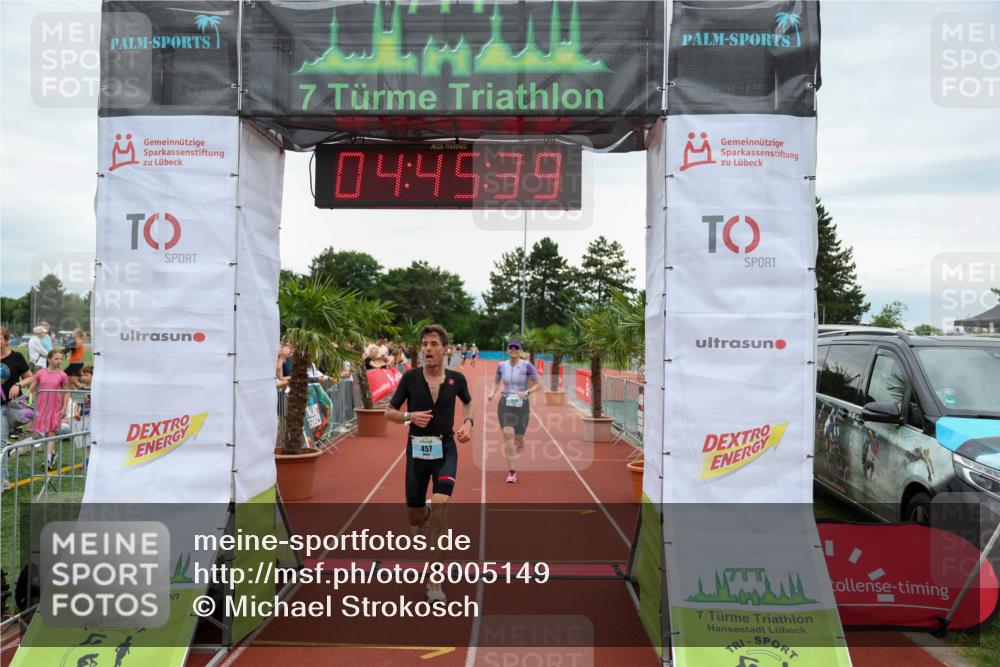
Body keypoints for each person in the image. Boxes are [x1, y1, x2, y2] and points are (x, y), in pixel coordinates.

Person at [385, 324, 474, 603]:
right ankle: (420, 510)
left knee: (441, 506)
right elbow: (389, 412)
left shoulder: (457, 379)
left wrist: (468, 423)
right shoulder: (410, 378)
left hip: (446, 449)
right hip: (417, 452)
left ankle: (435, 578)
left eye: (433, 344)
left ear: (445, 350)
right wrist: (409, 417)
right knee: (415, 517)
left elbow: (468, 404)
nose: (427, 349)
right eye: (424, 344)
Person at [488, 338, 541, 484]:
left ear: (520, 351)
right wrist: (492, 392)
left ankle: (520, 441)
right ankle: (512, 472)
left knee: (518, 438)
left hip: (522, 404)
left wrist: (527, 392)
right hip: (505, 403)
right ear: (507, 350)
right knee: (507, 433)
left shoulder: (527, 366)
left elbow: (538, 384)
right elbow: (496, 381)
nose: (513, 350)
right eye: (511, 347)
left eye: (516, 348)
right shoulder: (501, 365)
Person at [25, 349, 70, 469]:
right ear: (49, 359)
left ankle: (48, 458)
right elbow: (31, 390)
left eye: (61, 359)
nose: (59, 361)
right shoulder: (40, 373)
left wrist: (64, 408)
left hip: (55, 407)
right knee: (43, 432)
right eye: (56, 358)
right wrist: (29, 403)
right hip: (41, 407)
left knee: (51, 432)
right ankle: (52, 453)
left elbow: (66, 393)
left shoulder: (63, 375)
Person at [1, 326, 33, 446]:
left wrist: (18, 384)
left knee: (0, 444)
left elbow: (30, 378)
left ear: (6, 340)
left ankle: (2, 465)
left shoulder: (16, 357)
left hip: (6, 406)